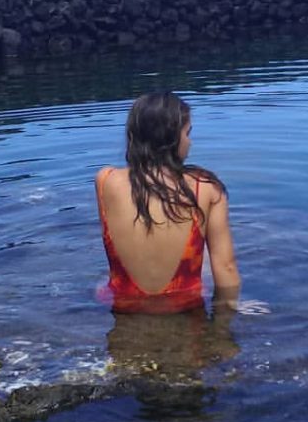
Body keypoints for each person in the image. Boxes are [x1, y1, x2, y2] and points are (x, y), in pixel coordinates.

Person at [96, 91, 240, 315]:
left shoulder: (105, 181)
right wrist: (224, 329)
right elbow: (226, 267)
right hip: (185, 307)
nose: (190, 142)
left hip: (124, 306)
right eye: (187, 133)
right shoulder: (206, 188)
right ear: (172, 137)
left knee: (101, 281)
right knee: (207, 270)